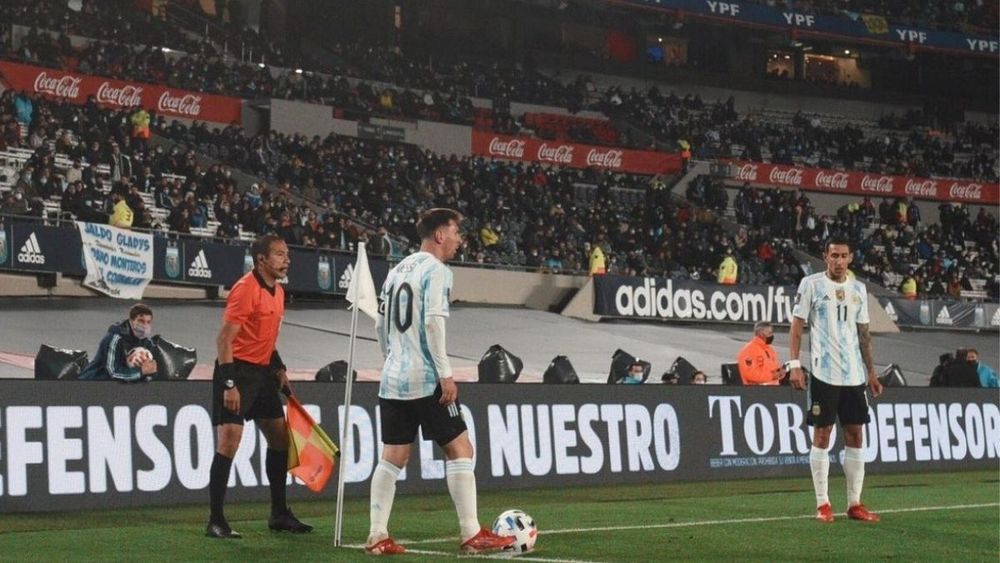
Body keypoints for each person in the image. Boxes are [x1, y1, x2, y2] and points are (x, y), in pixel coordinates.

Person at [365, 208, 514, 555]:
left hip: (393, 377)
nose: (460, 240)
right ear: (439, 235)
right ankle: (471, 532)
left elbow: (378, 325)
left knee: (393, 456)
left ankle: (376, 535)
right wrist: (445, 372)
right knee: (460, 449)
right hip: (425, 376)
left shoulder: (395, 270)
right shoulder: (437, 271)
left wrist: (391, 358)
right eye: (455, 232)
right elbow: (433, 322)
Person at [206, 235, 312, 539]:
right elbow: (224, 340)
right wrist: (229, 384)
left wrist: (278, 368)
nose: (286, 259)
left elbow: (266, 336)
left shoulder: (278, 292)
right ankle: (216, 520)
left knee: (280, 440)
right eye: (279, 254)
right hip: (236, 372)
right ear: (261, 259)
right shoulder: (245, 289)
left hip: (263, 373)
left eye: (287, 253)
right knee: (229, 443)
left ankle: (279, 514)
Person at [789, 236, 883, 524]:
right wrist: (794, 365)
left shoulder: (858, 289)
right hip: (823, 373)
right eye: (834, 256)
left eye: (844, 256)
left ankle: (855, 503)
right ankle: (823, 504)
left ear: (851, 258)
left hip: (854, 375)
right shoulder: (811, 285)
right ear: (825, 256)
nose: (839, 261)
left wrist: (871, 372)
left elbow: (864, 334)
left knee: (856, 435)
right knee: (823, 435)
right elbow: (796, 326)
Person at [79, 303, 158, 382]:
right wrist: (141, 371)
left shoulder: (146, 342)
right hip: (93, 382)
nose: (145, 326)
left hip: (119, 385)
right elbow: (113, 373)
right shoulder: (114, 339)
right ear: (131, 320)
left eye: (148, 322)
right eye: (141, 321)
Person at [737, 321, 785, 386]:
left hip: (773, 387)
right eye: (770, 333)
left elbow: (775, 368)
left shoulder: (769, 349)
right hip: (757, 390)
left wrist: (780, 372)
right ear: (761, 334)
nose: (772, 336)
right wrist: (772, 376)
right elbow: (750, 374)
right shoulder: (749, 350)